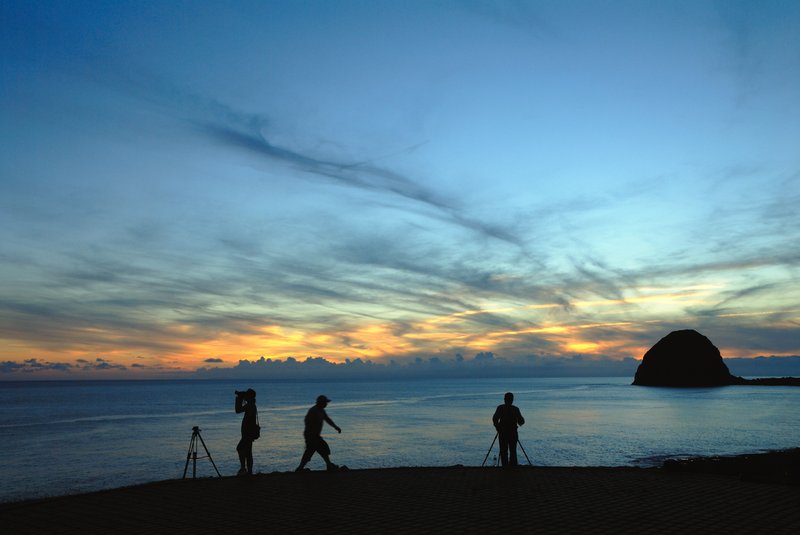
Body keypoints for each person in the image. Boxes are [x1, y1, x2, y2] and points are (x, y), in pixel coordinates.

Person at [296, 395, 341, 472]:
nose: (326, 404)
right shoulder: (313, 411)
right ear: (321, 403)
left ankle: (328, 465)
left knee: (317, 450)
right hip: (311, 435)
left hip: (315, 435)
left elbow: (327, 419)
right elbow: (307, 421)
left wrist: (335, 427)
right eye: (325, 402)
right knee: (316, 450)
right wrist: (311, 433)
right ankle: (300, 468)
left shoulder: (321, 410)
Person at [492, 392, 525, 468]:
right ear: (512, 400)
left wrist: (498, 427)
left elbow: (494, 419)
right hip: (513, 433)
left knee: (503, 451)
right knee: (513, 451)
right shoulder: (515, 409)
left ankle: (505, 468)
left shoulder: (500, 408)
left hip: (503, 433)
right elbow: (522, 421)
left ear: (504, 399)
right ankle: (513, 468)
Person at [235, 388, 259, 476]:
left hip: (247, 433)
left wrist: (239, 399)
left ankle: (243, 468)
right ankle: (249, 472)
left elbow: (237, 410)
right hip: (249, 433)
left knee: (240, 448)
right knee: (248, 452)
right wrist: (241, 397)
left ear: (249, 396)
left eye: (247, 395)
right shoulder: (252, 405)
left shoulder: (250, 405)